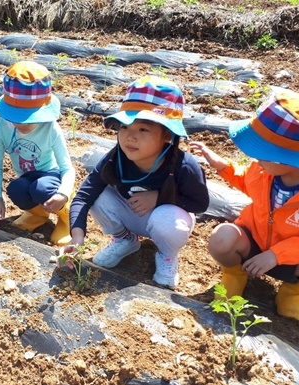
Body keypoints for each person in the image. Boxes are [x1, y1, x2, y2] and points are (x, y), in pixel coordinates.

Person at [191, 91, 299, 323]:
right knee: (223, 237)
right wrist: (221, 166)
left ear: (286, 159)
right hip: (254, 244)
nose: (256, 160)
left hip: (296, 260)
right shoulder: (265, 170)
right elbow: (246, 178)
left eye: (262, 155)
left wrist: (277, 255)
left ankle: (292, 296)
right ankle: (234, 277)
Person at [61, 76, 209, 289]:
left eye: (143, 130)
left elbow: (200, 204)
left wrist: (159, 198)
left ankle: (167, 255)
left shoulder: (184, 166)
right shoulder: (115, 158)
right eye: (124, 127)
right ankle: (124, 240)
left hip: (166, 221)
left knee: (168, 220)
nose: (130, 137)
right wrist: (76, 238)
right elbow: (83, 196)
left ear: (166, 135)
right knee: (98, 196)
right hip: (133, 215)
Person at [0, 60, 75, 245]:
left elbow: (67, 168)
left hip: (50, 174)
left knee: (41, 189)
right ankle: (38, 215)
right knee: (16, 189)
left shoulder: (50, 128)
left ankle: (67, 218)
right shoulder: (1, 128)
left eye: (31, 118)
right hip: (27, 176)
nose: (24, 124)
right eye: (18, 118)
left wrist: (63, 194)